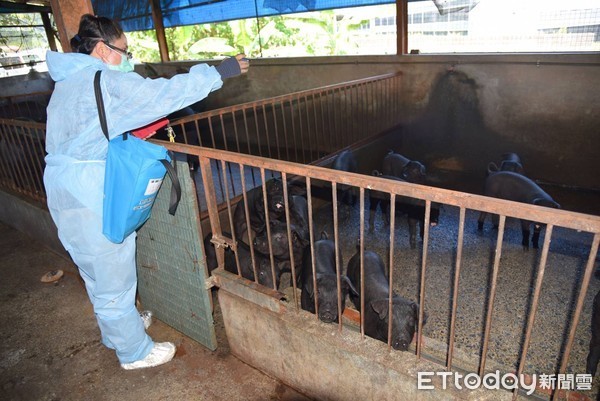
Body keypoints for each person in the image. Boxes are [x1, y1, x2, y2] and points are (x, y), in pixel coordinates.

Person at [43, 14, 249, 370]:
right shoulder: (102, 80)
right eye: (124, 50)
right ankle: (133, 352)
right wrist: (216, 73)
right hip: (91, 189)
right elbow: (161, 94)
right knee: (112, 271)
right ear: (102, 49)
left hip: (64, 185)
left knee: (94, 269)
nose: (129, 58)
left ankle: (117, 331)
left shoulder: (69, 82)